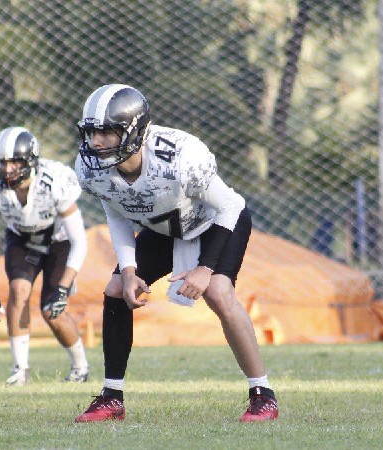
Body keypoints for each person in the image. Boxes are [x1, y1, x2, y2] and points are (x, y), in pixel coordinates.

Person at [73, 84, 278, 423]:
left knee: (218, 292)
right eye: (92, 132)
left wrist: (205, 268)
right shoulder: (91, 167)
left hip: (217, 221)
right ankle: (112, 399)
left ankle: (263, 396)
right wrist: (127, 269)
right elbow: (117, 213)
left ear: (135, 130)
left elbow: (232, 205)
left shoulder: (179, 156)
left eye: (107, 132)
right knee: (115, 292)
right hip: (165, 228)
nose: (96, 142)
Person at [0, 126, 90, 386]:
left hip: (59, 241)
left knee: (52, 311)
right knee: (18, 292)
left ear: (30, 161)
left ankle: (80, 367)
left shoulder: (55, 180)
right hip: (24, 238)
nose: (6, 169)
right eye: (2, 163)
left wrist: (63, 288)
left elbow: (80, 240)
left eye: (14, 161)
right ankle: (20, 369)